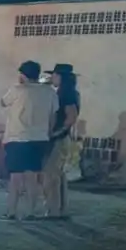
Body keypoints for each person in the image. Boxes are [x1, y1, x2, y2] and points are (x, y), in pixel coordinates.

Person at [0, 60, 57, 220]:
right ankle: (31, 212)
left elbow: (3, 102)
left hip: (17, 138)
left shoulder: (17, 90)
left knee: (16, 177)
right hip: (40, 139)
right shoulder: (50, 92)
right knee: (33, 177)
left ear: (23, 75)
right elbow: (53, 116)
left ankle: (11, 212)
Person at [43, 64, 80, 218]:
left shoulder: (67, 94)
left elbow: (71, 116)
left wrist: (56, 133)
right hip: (61, 137)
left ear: (61, 77)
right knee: (58, 175)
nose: (52, 78)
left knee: (51, 174)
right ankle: (60, 209)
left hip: (59, 138)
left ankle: (53, 210)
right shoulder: (66, 92)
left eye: (54, 75)